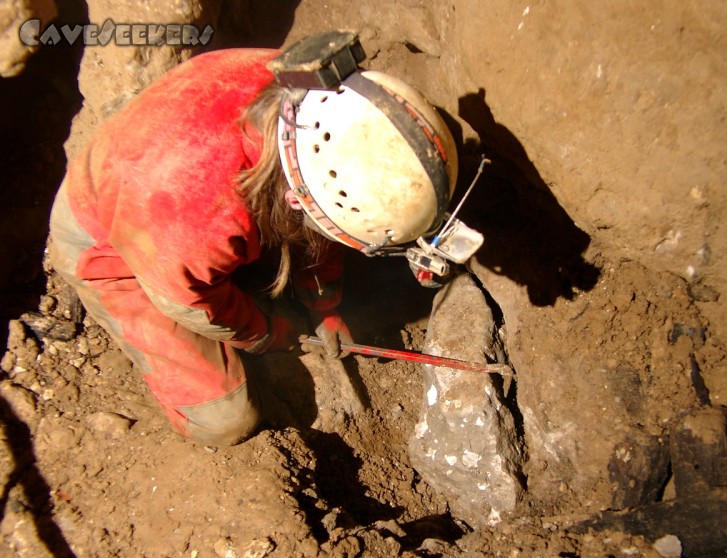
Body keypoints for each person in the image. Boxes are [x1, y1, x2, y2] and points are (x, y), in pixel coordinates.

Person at [48, 31, 458, 446]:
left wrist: (324, 306)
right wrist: (269, 333)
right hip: (115, 247)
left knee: (266, 240)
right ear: (295, 197)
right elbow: (196, 304)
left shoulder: (323, 104)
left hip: (176, 188)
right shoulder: (192, 209)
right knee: (225, 422)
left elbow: (327, 210)